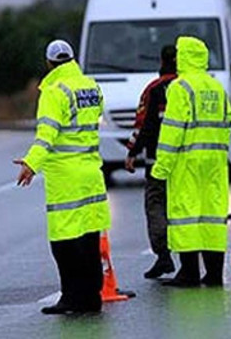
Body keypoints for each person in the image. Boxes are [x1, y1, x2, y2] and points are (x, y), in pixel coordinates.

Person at [14, 39, 111, 314]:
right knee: (89, 237)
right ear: (72, 58)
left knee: (64, 241)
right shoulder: (91, 86)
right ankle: (92, 297)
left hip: (66, 177)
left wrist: (31, 163)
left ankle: (71, 297)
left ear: (49, 63)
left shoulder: (54, 91)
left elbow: (47, 135)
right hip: (91, 171)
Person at [150, 37, 231, 287]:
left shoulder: (180, 87)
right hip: (215, 162)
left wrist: (161, 168)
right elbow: (228, 121)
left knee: (186, 215)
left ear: (184, 57)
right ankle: (214, 273)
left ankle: (189, 272)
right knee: (212, 215)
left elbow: (172, 131)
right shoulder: (216, 87)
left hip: (187, 162)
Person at [125, 45, 178, 279]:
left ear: (161, 62)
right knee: (184, 208)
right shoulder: (190, 87)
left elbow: (143, 125)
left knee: (156, 206)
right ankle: (191, 260)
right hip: (187, 162)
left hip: (157, 161)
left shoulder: (154, 90)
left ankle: (164, 256)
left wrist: (132, 152)